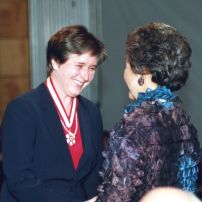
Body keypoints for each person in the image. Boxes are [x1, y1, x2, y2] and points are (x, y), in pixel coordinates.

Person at [96, 22, 201, 202]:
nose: (124, 74)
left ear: (142, 74)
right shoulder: (183, 121)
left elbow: (115, 198)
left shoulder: (135, 126)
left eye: (126, 66)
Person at [0, 25, 107, 202]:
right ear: (55, 62)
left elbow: (93, 175)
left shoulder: (92, 112)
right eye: (79, 65)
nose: (86, 76)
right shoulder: (22, 110)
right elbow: (19, 179)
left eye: (92, 68)